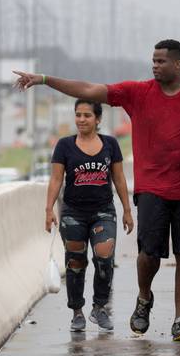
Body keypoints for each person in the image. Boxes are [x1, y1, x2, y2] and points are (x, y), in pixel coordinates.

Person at [15, 39, 180, 342]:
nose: (154, 65)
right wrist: (44, 80)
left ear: (178, 64)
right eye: (153, 60)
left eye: (161, 61)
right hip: (152, 187)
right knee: (149, 254)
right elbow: (88, 90)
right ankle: (144, 298)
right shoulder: (137, 93)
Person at [45, 100, 134, 332]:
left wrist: (126, 209)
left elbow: (119, 178)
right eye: (78, 115)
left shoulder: (110, 144)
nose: (81, 119)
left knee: (104, 259)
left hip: (103, 211)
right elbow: (56, 179)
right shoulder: (64, 146)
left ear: (97, 119)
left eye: (87, 115)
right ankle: (77, 312)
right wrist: (49, 209)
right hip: (73, 213)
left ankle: (100, 307)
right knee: (75, 263)